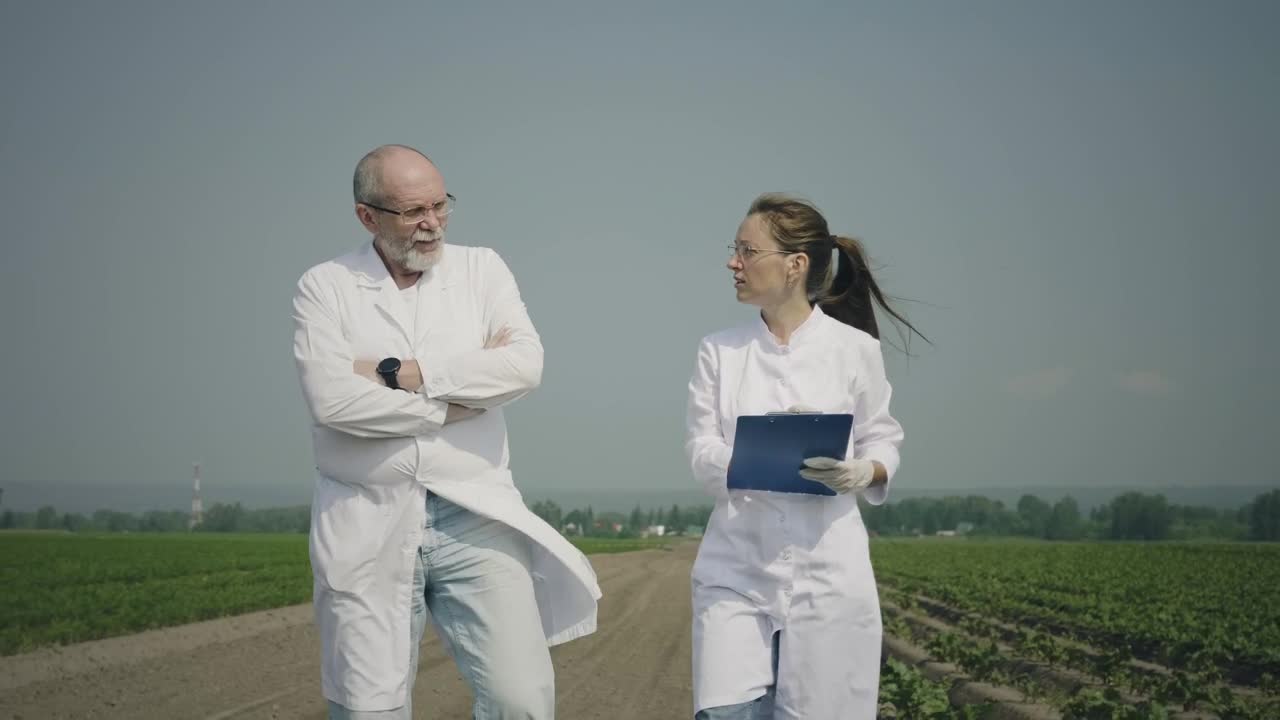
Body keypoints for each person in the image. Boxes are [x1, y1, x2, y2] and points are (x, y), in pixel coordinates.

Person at [291, 144, 600, 719]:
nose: (432, 223)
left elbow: (523, 366)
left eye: (440, 205)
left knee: (522, 699)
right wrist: (449, 408)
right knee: (368, 707)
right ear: (367, 216)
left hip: (475, 511)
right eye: (413, 211)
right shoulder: (325, 286)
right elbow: (332, 401)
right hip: (368, 517)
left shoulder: (482, 269)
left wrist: (398, 375)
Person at [684, 193, 926, 718]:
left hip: (828, 573)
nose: (733, 263)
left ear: (795, 265)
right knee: (724, 712)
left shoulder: (855, 350)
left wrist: (862, 471)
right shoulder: (719, 351)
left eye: (747, 251)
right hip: (736, 569)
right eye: (735, 249)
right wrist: (760, 455)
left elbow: (882, 439)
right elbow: (702, 448)